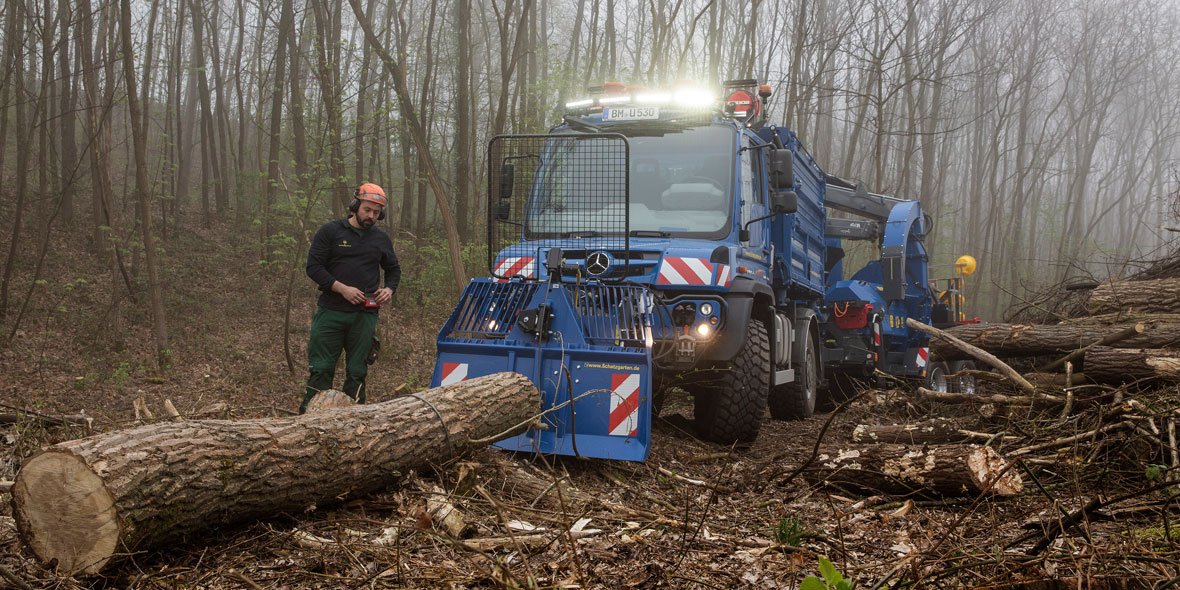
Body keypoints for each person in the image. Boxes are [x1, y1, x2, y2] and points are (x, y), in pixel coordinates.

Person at [300, 182, 401, 413]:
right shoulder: (331, 231)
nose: (371, 216)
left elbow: (393, 269)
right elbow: (313, 267)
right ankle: (310, 419)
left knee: (357, 372)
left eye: (376, 212)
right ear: (355, 206)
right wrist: (341, 288)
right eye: (367, 210)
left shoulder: (381, 239)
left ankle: (354, 420)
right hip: (331, 312)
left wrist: (389, 289)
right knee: (321, 369)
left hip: (364, 316)